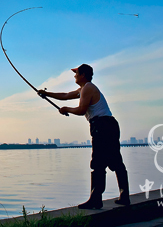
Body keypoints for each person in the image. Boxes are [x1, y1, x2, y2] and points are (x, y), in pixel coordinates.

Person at [37, 64, 130, 209]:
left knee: (98, 163)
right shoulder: (84, 89)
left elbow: (81, 110)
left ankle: (96, 199)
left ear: (83, 75)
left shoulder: (88, 88)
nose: (74, 75)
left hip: (102, 126)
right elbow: (65, 96)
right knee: (116, 161)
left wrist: (66, 109)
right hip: (107, 125)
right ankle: (124, 196)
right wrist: (46, 94)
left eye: (76, 73)